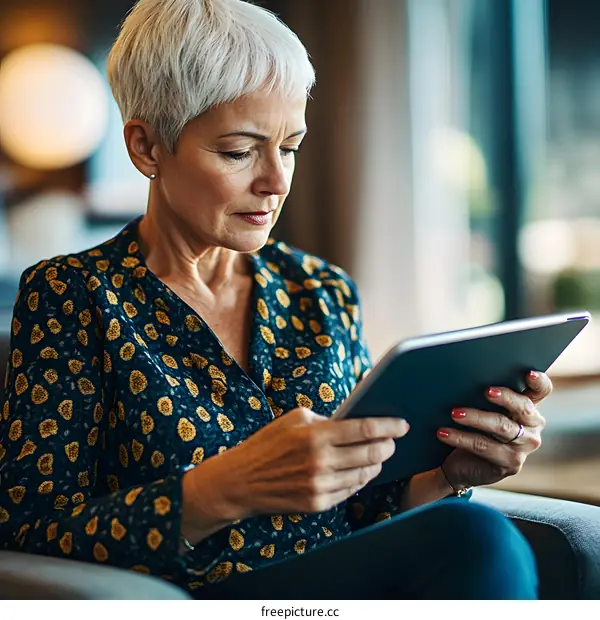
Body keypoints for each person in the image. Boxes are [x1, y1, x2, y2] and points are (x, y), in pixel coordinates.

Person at [0, 0, 550, 600]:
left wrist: (446, 477)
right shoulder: (72, 296)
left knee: (470, 530)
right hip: (190, 601)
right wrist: (222, 488)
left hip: (325, 600)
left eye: (288, 146)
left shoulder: (323, 291)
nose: (277, 180)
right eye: (239, 151)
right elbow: (30, 537)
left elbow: (365, 512)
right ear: (147, 148)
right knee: (474, 539)